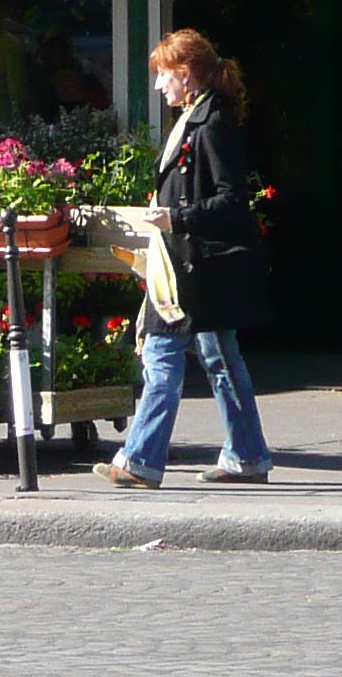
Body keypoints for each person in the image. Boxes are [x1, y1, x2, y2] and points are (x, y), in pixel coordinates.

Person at [100, 29, 272, 489]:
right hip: (195, 265)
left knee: (161, 355)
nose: (158, 87)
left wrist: (176, 218)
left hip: (191, 269)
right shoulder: (201, 117)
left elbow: (232, 200)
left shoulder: (211, 125)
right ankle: (248, 456)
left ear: (186, 74)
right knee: (221, 359)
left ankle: (139, 460)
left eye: (163, 76)